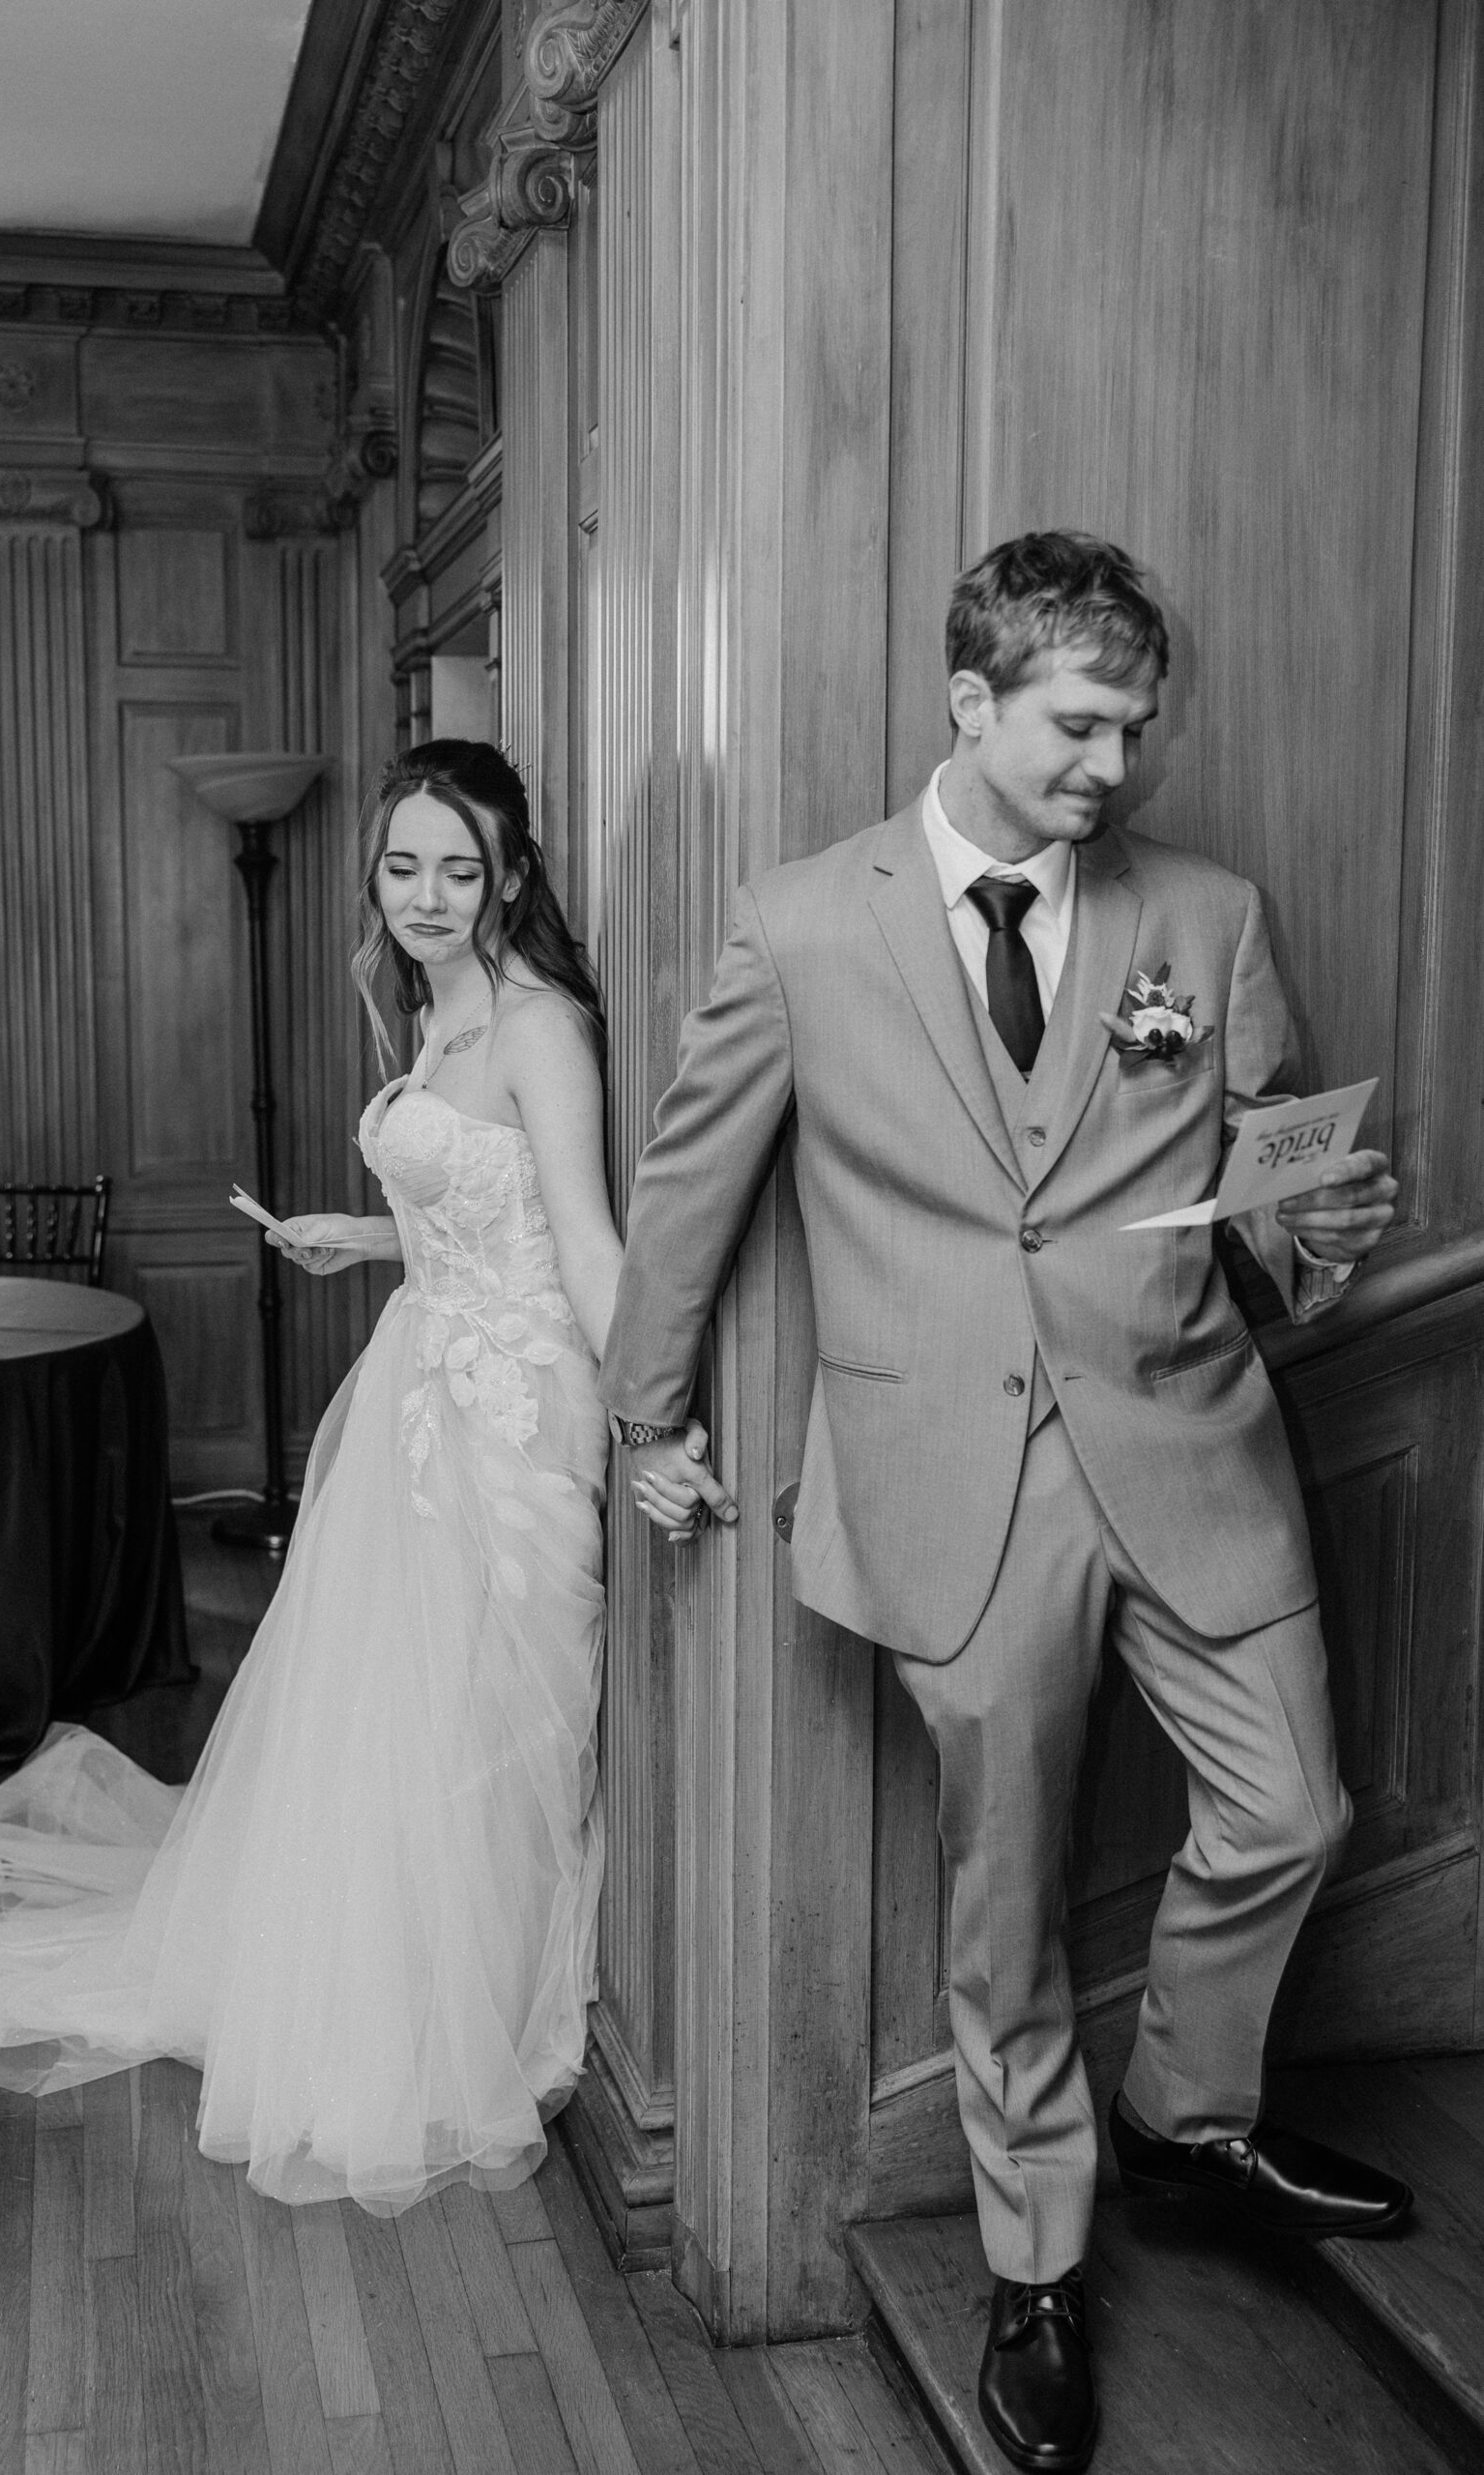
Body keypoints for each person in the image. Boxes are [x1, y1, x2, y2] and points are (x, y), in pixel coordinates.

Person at [600, 535, 1410, 2474]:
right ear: (967, 702)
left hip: (1192, 1446)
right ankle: (1035, 2258)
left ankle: (1185, 2111)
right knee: (1003, 1897)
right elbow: (689, 1187)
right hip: (947, 1479)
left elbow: (1262, 1210)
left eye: (1137, 723)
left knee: (1290, 1804)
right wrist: (642, 1410)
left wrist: (1313, 1234)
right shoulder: (801, 924)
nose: (1113, 758)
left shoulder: (1203, 915)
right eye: (1076, 719)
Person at [0, 739, 625, 2217]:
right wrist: (368, 1235)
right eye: (402, 865)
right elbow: (490, 1207)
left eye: (459, 868)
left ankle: (463, 1999)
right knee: (399, 1701)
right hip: (417, 1386)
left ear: (514, 875)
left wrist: (652, 1420)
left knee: (502, 1699)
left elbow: (584, 1243)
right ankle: (387, 1977)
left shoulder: (541, 1023)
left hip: (517, 1404)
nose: (423, 894)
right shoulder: (430, 999)